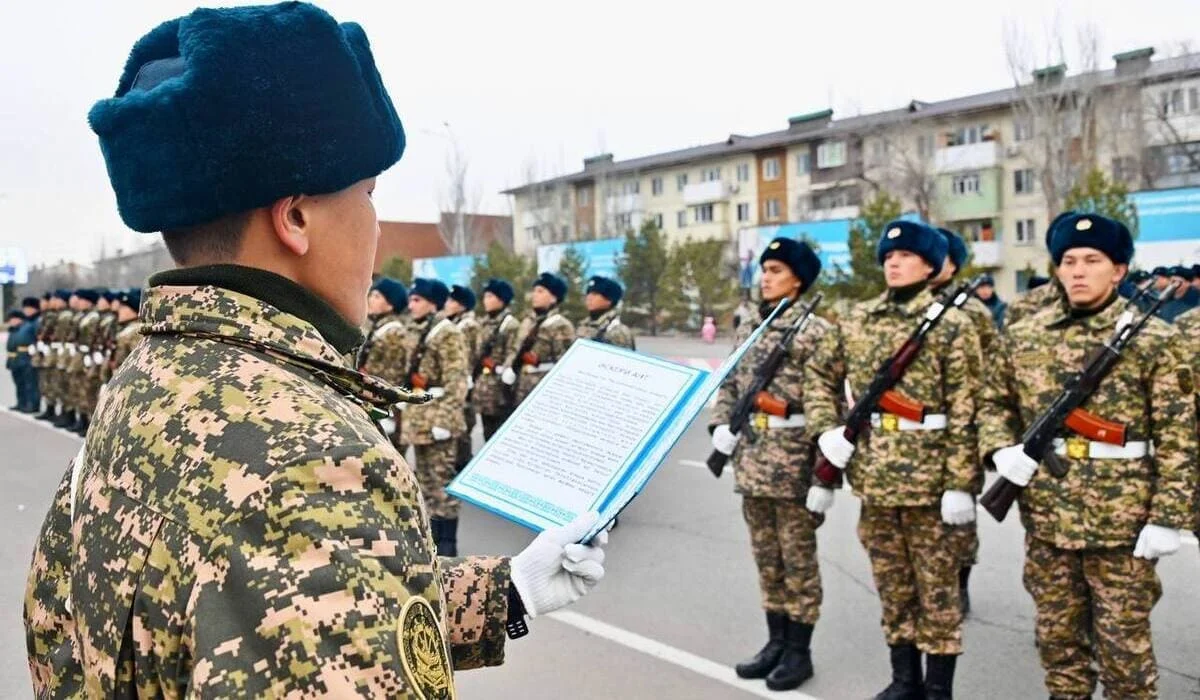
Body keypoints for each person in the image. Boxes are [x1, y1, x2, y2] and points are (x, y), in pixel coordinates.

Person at [24, 4, 607, 697]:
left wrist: (510, 594)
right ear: (296, 217)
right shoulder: (310, 458)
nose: (375, 223)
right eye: (366, 193)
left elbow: (259, 621)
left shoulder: (149, 382)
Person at [979, 213, 1196, 700]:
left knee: (1126, 660)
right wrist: (999, 450)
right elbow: (994, 403)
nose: (1078, 271)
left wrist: (1168, 519)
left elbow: (1181, 439)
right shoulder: (1025, 335)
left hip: (1123, 529)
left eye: (1092, 261)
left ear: (1118, 270)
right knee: (1059, 650)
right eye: (1068, 261)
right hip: (1048, 523)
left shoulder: (1153, 340)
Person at [805, 220, 980, 700]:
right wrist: (827, 430)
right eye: (887, 257)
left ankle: (939, 687)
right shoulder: (859, 318)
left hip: (931, 483)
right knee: (893, 585)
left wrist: (962, 483)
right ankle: (905, 680)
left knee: (938, 591)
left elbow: (968, 405)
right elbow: (819, 372)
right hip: (875, 481)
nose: (894, 263)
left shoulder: (953, 324)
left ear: (929, 265)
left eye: (905, 257)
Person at [710, 238, 829, 691]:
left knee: (798, 558)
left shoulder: (814, 330)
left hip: (794, 459)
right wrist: (720, 424)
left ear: (798, 279)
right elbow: (730, 383)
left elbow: (827, 400)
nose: (766, 277)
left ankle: (800, 650)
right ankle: (775, 641)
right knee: (766, 556)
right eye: (764, 269)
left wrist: (824, 473)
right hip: (752, 459)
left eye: (776, 270)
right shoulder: (749, 327)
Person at [933, 229, 993, 615]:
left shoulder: (972, 313)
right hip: (913, 435)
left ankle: (960, 582)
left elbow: (986, 371)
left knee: (959, 519)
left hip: (961, 425)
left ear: (952, 264)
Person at [400, 278, 469, 556]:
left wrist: (444, 420)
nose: (411, 305)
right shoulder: (418, 330)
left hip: (438, 419)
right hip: (420, 418)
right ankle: (434, 541)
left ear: (432, 303)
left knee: (441, 483)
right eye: (411, 299)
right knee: (427, 484)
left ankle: (449, 545)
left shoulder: (447, 333)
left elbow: (457, 380)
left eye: (417, 300)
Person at [501, 272, 575, 406]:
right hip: (520, 391)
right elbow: (515, 350)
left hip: (544, 395)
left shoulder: (560, 325)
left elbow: (565, 365)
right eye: (534, 290)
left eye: (540, 291)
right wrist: (508, 369)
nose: (534, 295)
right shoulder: (527, 322)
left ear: (553, 298)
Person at [357, 276, 410, 446]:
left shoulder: (394, 333)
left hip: (384, 407)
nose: (370, 298)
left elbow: (392, 377)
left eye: (377, 296)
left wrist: (388, 412)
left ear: (390, 304)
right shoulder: (377, 327)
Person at [472, 278, 520, 439]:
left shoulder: (509, 324)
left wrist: (502, 369)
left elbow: (513, 352)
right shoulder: (484, 323)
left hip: (500, 389)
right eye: (485, 296)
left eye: (490, 296)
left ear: (501, 299)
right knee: (487, 432)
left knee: (500, 434)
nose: (486, 300)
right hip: (484, 389)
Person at [445, 283, 481, 473]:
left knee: (464, 423)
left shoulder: (467, 326)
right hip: (460, 378)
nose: (447, 304)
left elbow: (469, 354)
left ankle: (463, 464)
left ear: (462, 305)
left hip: (465, 378)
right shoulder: (454, 323)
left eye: (452, 301)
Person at [36, 290, 71, 423]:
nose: (52, 302)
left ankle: (67, 415)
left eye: (56, 299)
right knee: (50, 383)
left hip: (63, 352)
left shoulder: (63, 315)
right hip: (53, 351)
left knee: (62, 384)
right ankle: (51, 410)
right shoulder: (53, 315)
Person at [575, 275, 635, 350]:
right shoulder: (584, 325)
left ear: (609, 300)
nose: (589, 297)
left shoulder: (617, 331)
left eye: (595, 294)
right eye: (588, 293)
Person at [14, 297, 43, 412]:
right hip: (22, 355)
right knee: (24, 382)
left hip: (31, 355)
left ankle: (34, 405)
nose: (26, 311)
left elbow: (39, 337)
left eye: (28, 308)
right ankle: (25, 403)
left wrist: (36, 348)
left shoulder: (37, 322)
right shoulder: (27, 321)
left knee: (32, 382)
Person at [107, 288, 145, 372]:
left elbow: (139, 362)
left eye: (123, 307)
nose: (119, 310)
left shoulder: (136, 331)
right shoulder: (128, 329)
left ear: (133, 310)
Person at [6, 310, 37, 412]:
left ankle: (31, 405)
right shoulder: (13, 330)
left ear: (19, 319)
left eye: (13, 319)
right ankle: (21, 403)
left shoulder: (27, 327)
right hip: (15, 359)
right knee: (19, 383)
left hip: (25, 359)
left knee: (29, 384)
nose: (11, 322)